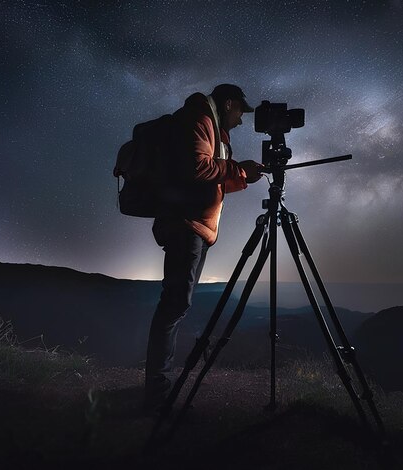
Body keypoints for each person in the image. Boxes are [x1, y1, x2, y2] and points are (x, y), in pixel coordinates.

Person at [144, 84, 263, 413]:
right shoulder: (199, 119)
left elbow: (212, 175)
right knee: (175, 303)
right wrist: (239, 169)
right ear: (228, 104)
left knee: (177, 303)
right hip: (185, 226)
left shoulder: (215, 129)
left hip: (195, 227)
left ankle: (158, 384)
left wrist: (243, 174)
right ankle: (157, 390)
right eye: (240, 111)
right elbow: (197, 168)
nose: (241, 120)